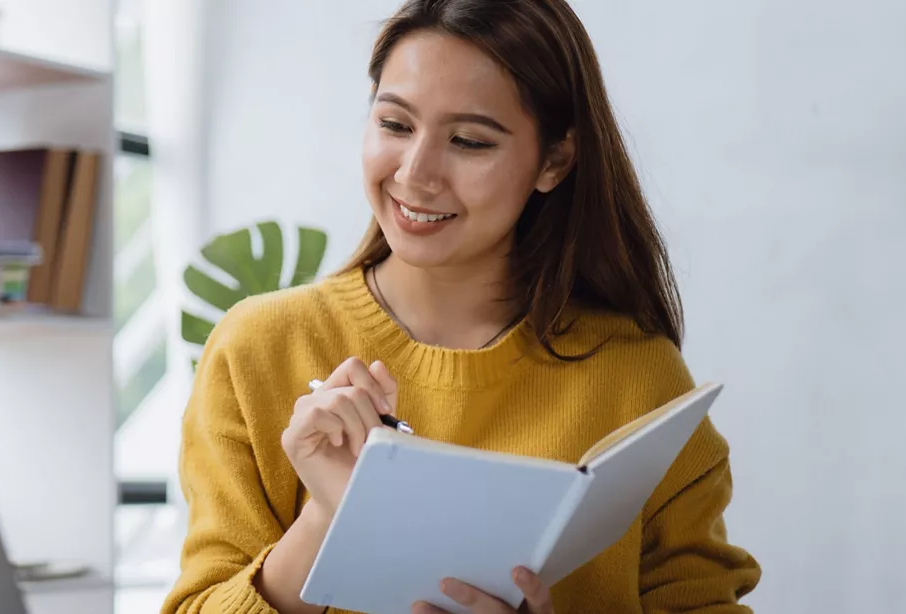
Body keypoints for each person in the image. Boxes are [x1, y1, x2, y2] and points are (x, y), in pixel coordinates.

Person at [160, 0, 762, 613]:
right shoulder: (258, 348)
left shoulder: (637, 375)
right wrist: (327, 517)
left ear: (554, 160)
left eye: (469, 141)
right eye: (395, 125)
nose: (416, 174)